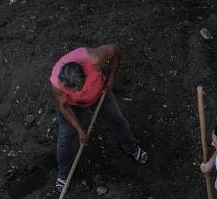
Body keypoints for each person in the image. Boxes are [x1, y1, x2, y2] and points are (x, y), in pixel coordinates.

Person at [50, 43, 148, 190]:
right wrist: (79, 130)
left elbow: (116, 50)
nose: (77, 93)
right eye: (72, 91)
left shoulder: (94, 59)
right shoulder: (58, 84)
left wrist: (112, 76)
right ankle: (64, 175)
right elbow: (63, 107)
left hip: (100, 92)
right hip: (74, 105)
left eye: (78, 89)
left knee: (118, 120)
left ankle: (132, 147)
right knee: (65, 136)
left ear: (85, 75)